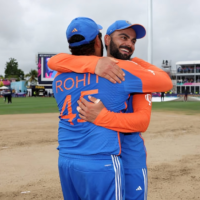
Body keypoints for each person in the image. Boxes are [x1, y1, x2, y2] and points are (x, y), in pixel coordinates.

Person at [49, 17, 172, 200]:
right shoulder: (125, 70)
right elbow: (165, 82)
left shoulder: (59, 76)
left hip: (69, 159)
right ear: (103, 40)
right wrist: (138, 63)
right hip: (103, 160)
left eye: (133, 41)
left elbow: (54, 61)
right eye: (123, 37)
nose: (129, 44)